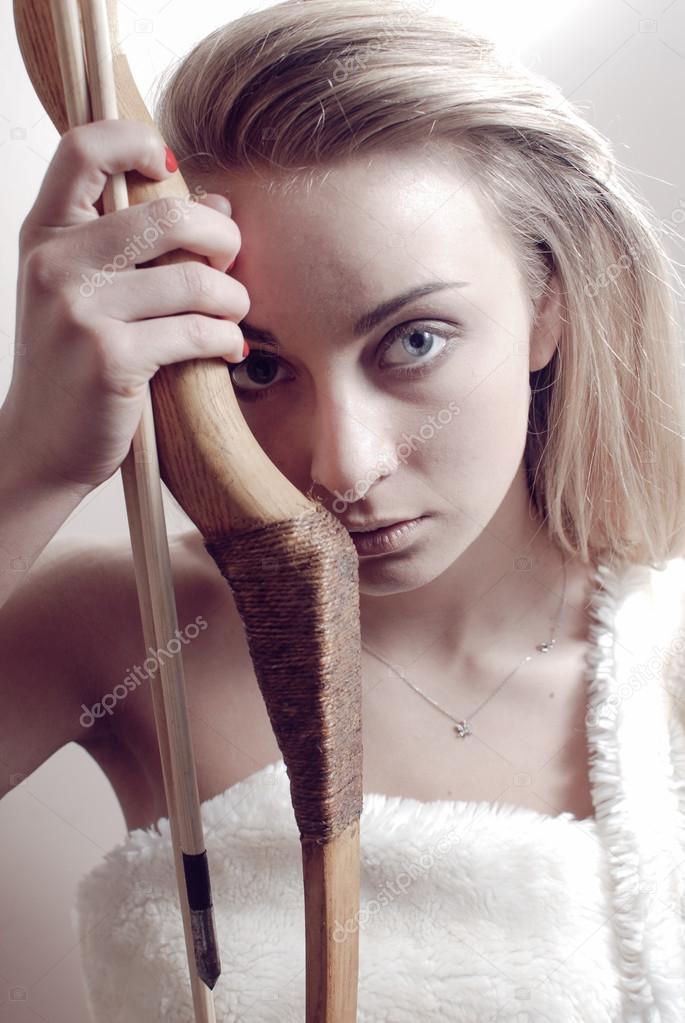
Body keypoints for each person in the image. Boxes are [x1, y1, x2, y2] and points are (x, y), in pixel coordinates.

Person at [2, 0, 685, 1019]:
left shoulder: (663, 657)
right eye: (260, 365)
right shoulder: (126, 629)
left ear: (547, 305)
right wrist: (31, 457)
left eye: (413, 341)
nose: (343, 463)